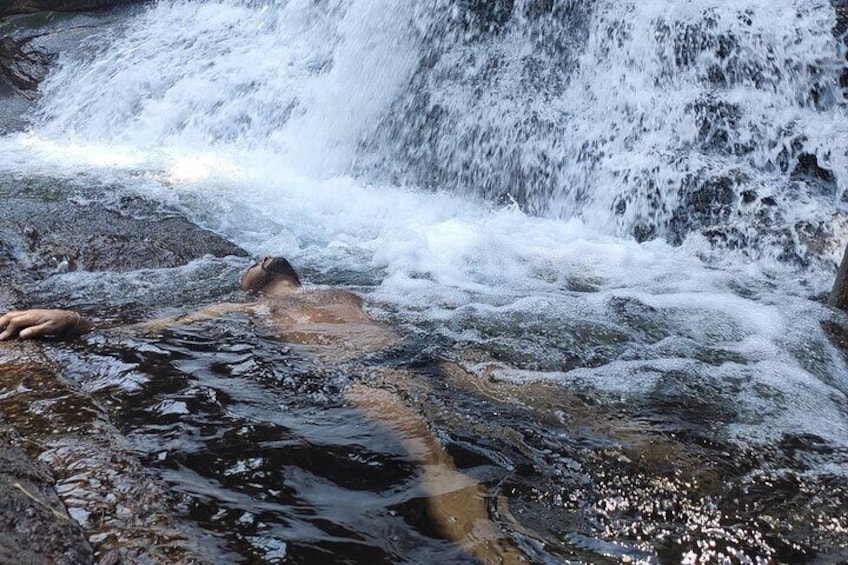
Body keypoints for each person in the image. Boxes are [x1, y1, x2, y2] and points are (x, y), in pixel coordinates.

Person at [0, 256, 526, 564]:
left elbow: (451, 311)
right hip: (361, 373)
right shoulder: (245, 309)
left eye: (264, 258)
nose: (263, 259)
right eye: (252, 263)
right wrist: (76, 321)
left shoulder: (349, 290)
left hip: (421, 352)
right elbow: (158, 328)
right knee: (425, 443)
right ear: (247, 283)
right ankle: (495, 548)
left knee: (538, 396)